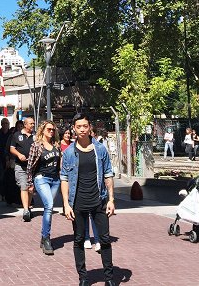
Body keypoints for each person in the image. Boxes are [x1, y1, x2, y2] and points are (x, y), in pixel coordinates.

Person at [61, 114, 116, 286]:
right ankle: (83, 277)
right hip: (77, 202)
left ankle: (109, 277)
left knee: (105, 239)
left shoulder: (99, 149)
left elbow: (108, 174)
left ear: (90, 127)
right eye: (79, 126)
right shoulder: (69, 152)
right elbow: (64, 178)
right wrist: (65, 205)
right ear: (74, 129)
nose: (82, 129)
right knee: (78, 240)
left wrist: (111, 199)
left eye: (85, 126)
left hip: (99, 201)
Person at [26, 121, 61, 254]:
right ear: (43, 130)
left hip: (55, 180)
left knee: (49, 208)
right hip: (41, 178)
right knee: (50, 205)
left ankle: (43, 236)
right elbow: (29, 166)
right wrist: (30, 183)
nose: (51, 131)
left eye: (53, 130)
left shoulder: (56, 146)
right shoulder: (37, 145)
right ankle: (47, 238)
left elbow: (59, 164)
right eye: (49, 129)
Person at [10, 117, 35, 221]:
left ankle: (28, 207)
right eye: (31, 123)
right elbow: (12, 148)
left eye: (33, 123)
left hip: (32, 166)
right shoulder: (17, 135)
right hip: (20, 165)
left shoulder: (35, 136)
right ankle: (25, 210)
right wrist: (19, 155)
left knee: (31, 189)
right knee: (24, 186)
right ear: (25, 124)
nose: (33, 125)